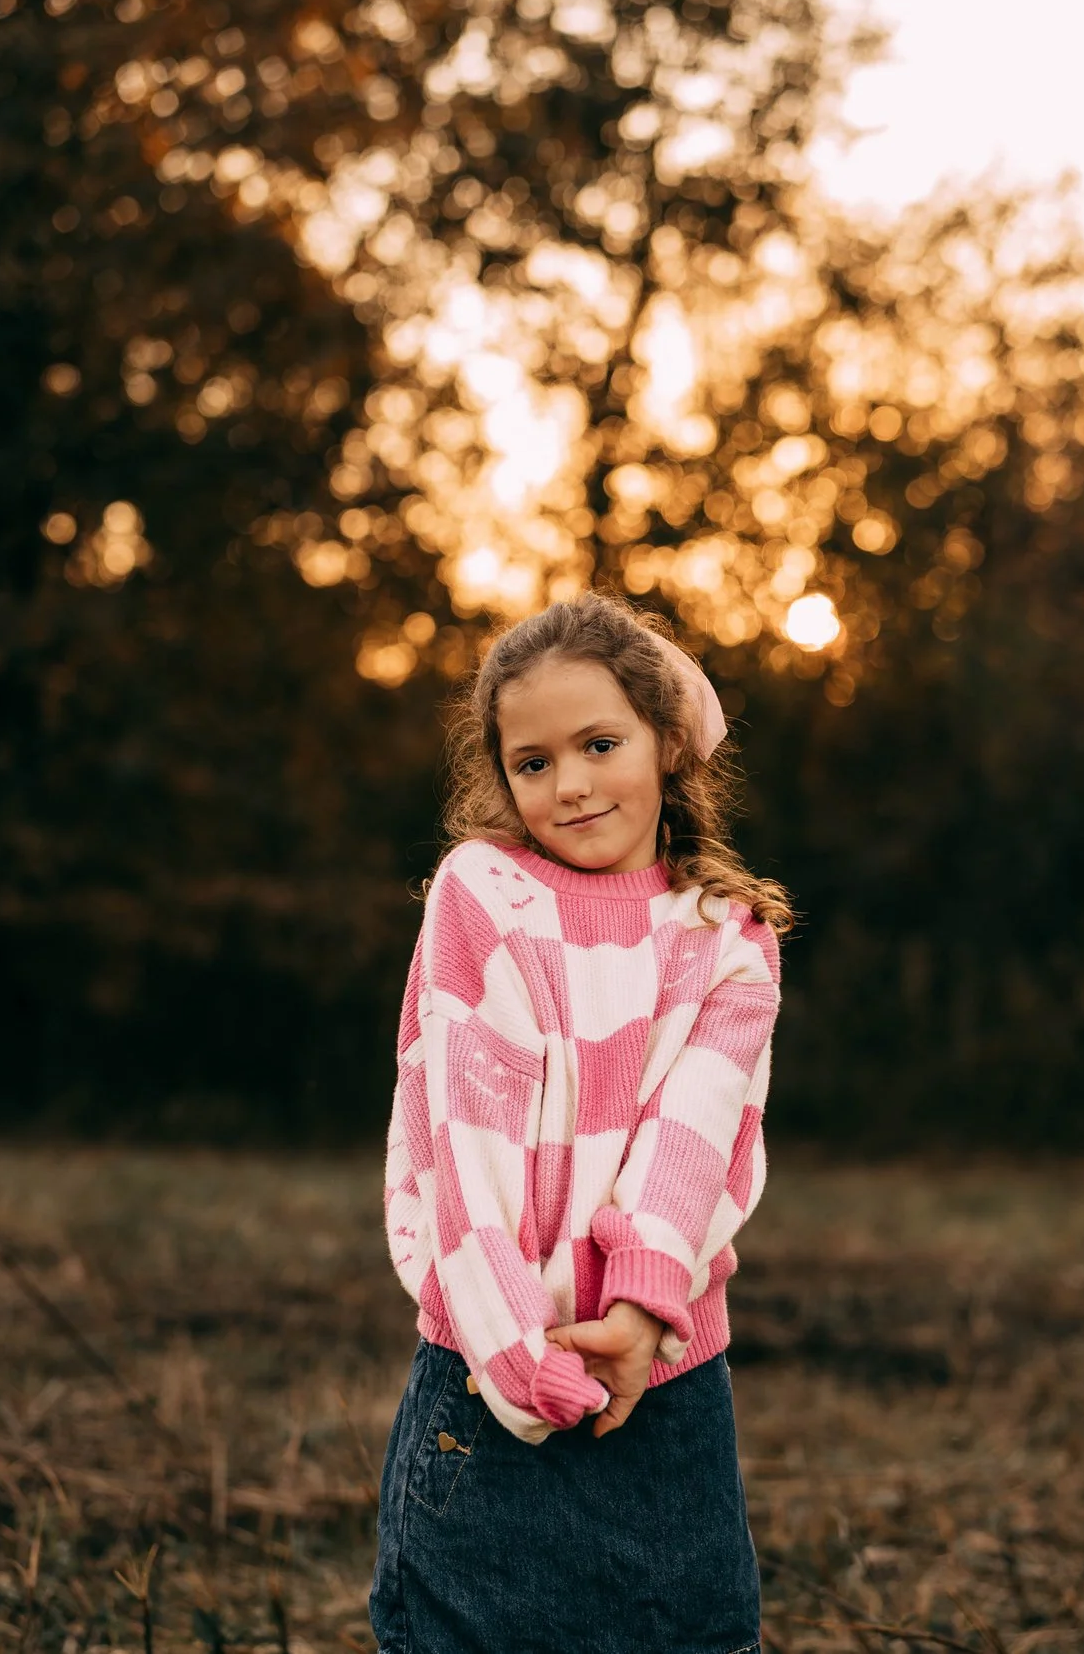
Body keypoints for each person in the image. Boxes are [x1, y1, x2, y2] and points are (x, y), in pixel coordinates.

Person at [370, 591, 794, 1654]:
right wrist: (515, 1345)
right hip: (485, 1367)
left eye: (600, 743)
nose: (569, 783)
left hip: (668, 1382)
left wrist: (646, 1309)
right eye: (532, 760)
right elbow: (461, 1135)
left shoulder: (727, 938)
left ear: (665, 747)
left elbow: (694, 1141)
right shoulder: (484, 894)